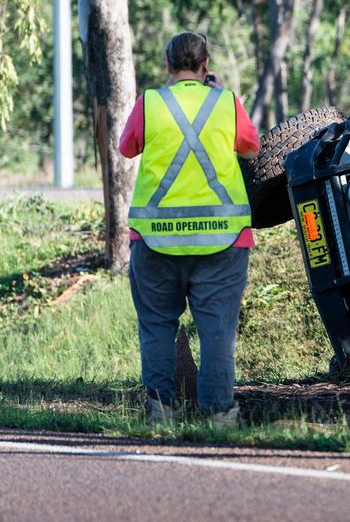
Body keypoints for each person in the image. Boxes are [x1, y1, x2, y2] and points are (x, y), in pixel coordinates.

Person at [118, 32, 260, 426]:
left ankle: (161, 411)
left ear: (168, 67)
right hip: (223, 239)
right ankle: (219, 416)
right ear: (205, 65)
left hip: (155, 240)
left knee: (157, 327)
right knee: (217, 330)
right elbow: (251, 148)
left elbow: (127, 148)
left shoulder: (150, 103)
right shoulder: (227, 102)